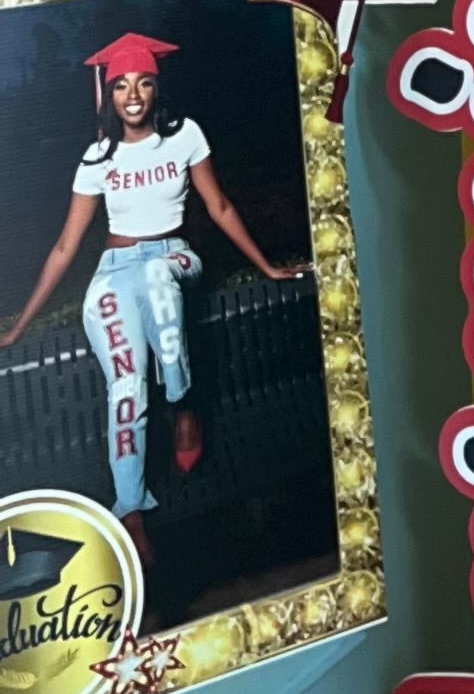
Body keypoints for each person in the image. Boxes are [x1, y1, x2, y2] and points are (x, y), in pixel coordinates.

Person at [3, 32, 301, 520]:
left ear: (157, 89)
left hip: (174, 258)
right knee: (126, 385)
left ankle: (182, 405)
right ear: (110, 95)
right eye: (121, 85)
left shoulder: (184, 136)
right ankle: (131, 508)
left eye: (143, 83)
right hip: (115, 271)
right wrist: (18, 328)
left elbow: (219, 206)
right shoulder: (97, 158)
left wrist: (265, 264)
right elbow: (64, 248)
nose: (133, 94)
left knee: (158, 277)